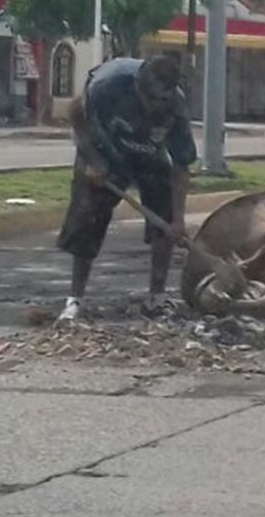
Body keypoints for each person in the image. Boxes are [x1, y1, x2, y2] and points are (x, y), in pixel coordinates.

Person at [55, 55, 194, 322]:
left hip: (147, 156)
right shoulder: (108, 85)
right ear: (137, 88)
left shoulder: (176, 109)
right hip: (103, 153)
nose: (156, 106)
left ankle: (156, 299)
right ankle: (75, 300)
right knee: (87, 219)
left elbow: (181, 166)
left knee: (164, 221)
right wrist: (93, 159)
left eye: (162, 100)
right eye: (151, 99)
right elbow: (75, 112)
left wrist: (178, 220)